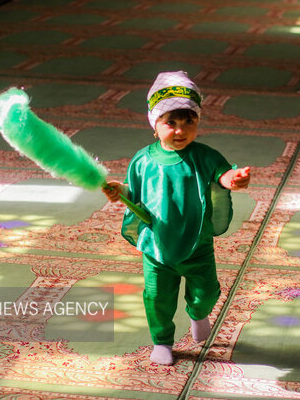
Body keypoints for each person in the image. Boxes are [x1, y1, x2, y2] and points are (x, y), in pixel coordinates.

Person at [102, 71, 250, 365]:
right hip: (157, 245)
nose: (180, 130)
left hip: (198, 243)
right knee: (157, 298)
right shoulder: (142, 160)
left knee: (206, 292)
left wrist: (234, 179)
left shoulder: (204, 156)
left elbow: (222, 175)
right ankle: (162, 342)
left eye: (188, 122)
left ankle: (198, 313)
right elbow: (137, 193)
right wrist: (121, 190)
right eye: (171, 122)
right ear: (154, 125)